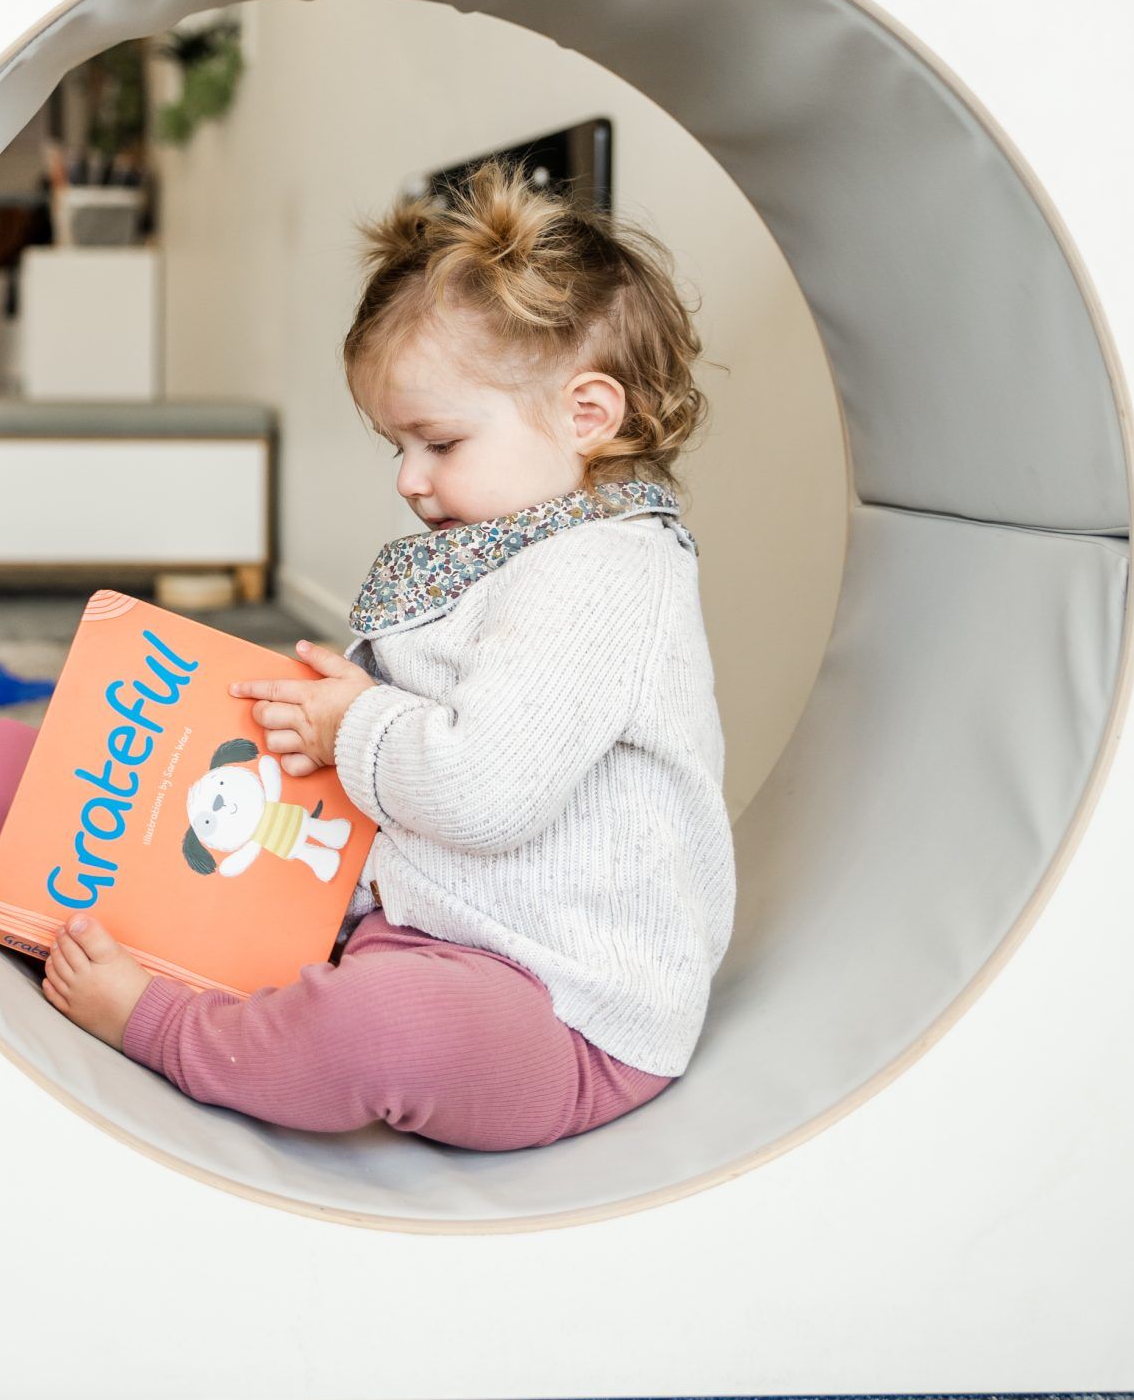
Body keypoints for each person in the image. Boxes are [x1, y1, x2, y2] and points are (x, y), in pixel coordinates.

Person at [40, 157, 734, 1151]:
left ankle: (166, 1026)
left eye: (438, 443)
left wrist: (358, 723)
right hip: (422, 922)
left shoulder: (604, 571)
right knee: (133, 785)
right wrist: (342, 711)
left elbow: (484, 790)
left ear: (587, 415)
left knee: (380, 1032)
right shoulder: (514, 542)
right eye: (394, 446)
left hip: (560, 1010)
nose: (409, 479)